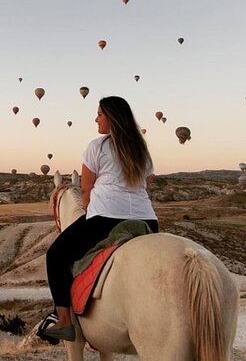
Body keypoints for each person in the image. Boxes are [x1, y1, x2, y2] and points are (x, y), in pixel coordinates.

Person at [42, 96, 159, 342]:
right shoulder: (141, 148)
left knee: (55, 255)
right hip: (148, 220)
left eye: (100, 114)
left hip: (106, 219)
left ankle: (63, 320)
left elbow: (85, 191)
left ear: (112, 118)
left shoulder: (96, 146)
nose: (96, 119)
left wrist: (88, 213)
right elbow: (147, 184)